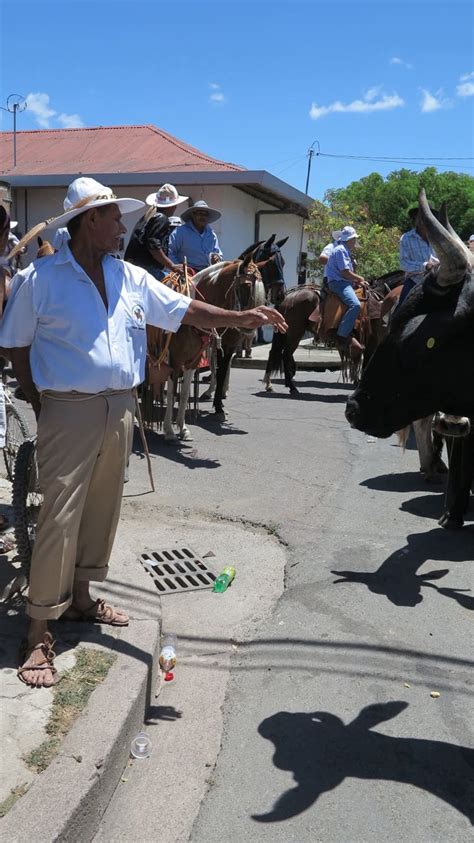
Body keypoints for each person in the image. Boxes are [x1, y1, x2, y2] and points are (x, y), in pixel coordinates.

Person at [0, 176, 287, 688]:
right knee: (58, 517)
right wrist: (37, 396)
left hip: (120, 407)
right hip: (67, 408)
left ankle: (82, 599)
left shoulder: (130, 276)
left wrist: (240, 314)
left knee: (103, 509)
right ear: (90, 220)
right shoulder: (40, 280)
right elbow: (16, 344)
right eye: (114, 216)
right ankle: (38, 628)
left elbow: (183, 310)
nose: (122, 226)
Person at [124, 183, 188, 279]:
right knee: (175, 286)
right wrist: (172, 266)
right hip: (148, 270)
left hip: (137, 268)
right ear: (173, 206)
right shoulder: (161, 218)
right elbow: (153, 246)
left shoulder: (148, 217)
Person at [325, 226, 367, 352]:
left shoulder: (344, 250)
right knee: (355, 305)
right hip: (339, 283)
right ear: (350, 239)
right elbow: (345, 273)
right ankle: (342, 336)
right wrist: (359, 278)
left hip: (344, 282)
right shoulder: (341, 250)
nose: (355, 242)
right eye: (354, 239)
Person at [398, 206, 439, 306]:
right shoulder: (406, 238)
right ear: (415, 219)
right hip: (415, 281)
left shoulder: (438, 236)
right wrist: (425, 266)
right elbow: (404, 263)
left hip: (439, 279)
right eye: (419, 217)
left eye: (425, 216)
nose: (422, 220)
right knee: (401, 308)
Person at [168, 199, 223, 272]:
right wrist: (179, 268)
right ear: (193, 215)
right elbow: (170, 252)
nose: (202, 217)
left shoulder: (212, 235)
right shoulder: (180, 232)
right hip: (186, 273)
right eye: (200, 214)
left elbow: (218, 253)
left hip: (206, 273)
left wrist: (217, 257)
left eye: (205, 214)